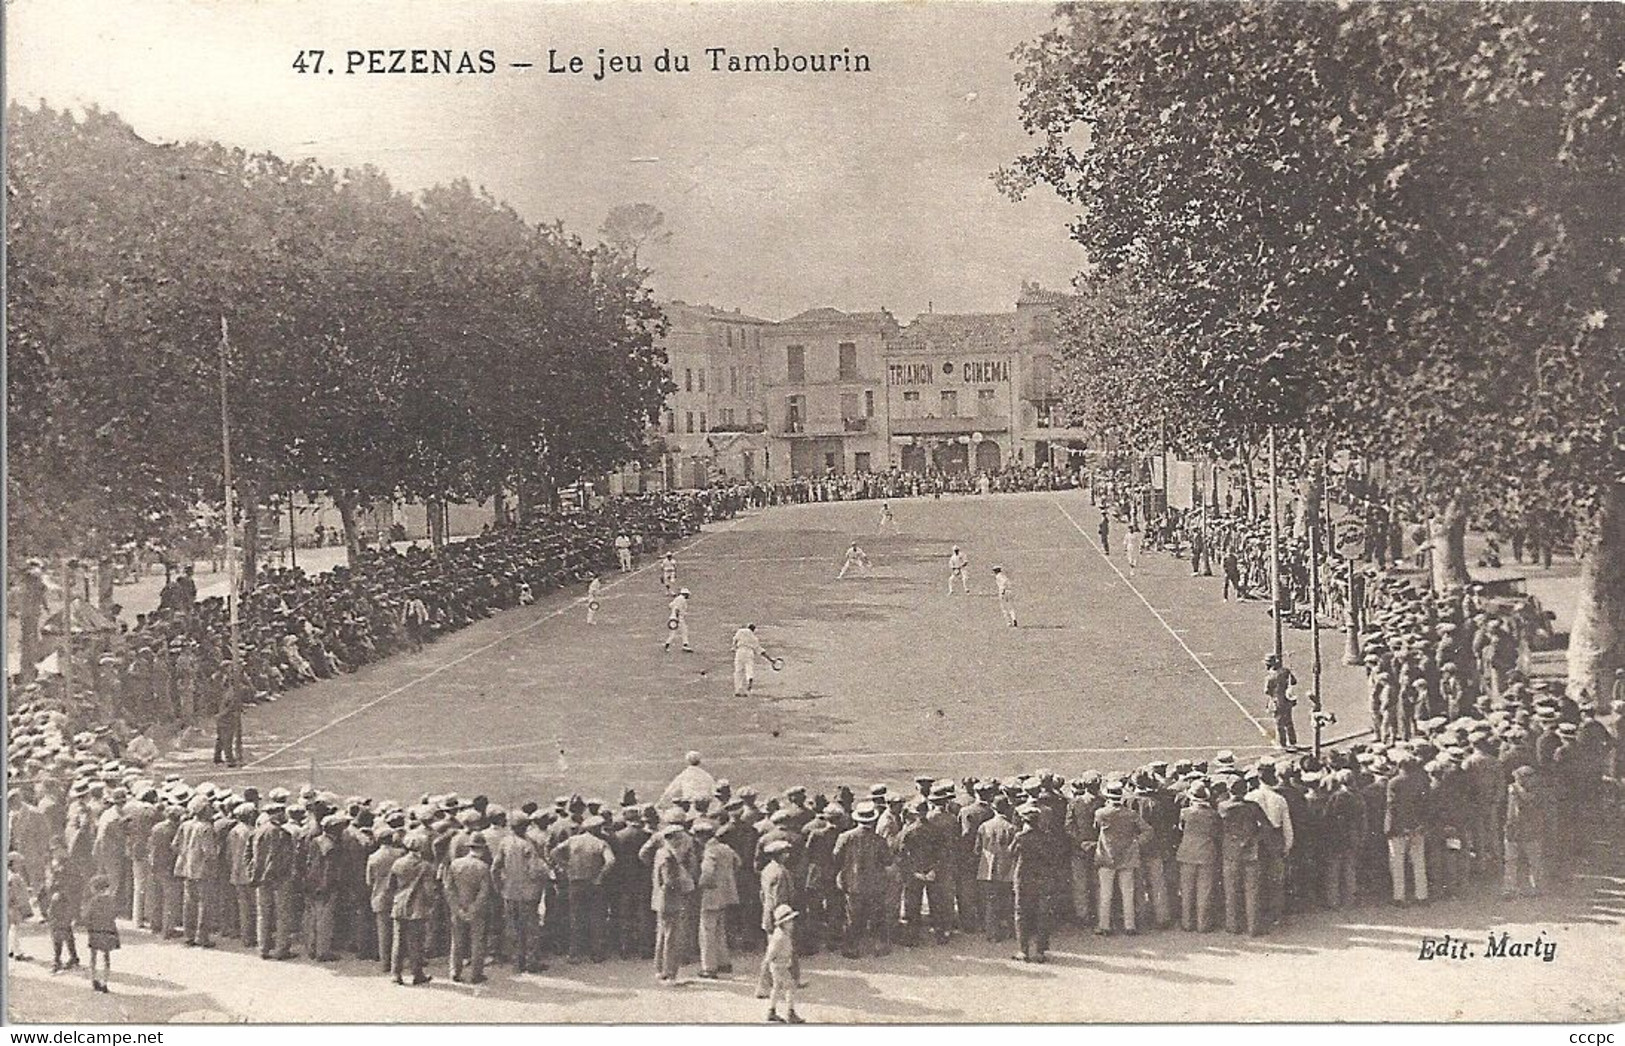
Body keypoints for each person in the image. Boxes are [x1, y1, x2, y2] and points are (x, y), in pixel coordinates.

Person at [695, 819, 739, 977]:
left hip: (711, 894)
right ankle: (724, 962)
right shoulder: (725, 848)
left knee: (707, 931)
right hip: (726, 893)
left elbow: (707, 873)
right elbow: (737, 863)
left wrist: (699, 886)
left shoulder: (710, 851)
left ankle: (709, 967)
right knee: (720, 930)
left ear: (702, 837)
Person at [446, 833, 493, 982]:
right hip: (476, 910)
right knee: (477, 941)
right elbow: (484, 892)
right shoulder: (483, 867)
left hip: (458, 907)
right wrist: (474, 908)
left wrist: (456, 907)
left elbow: (448, 888)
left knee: (457, 940)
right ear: (482, 849)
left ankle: (455, 971)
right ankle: (476, 974)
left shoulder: (455, 864)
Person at [764, 904, 805, 1024]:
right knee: (790, 987)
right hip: (779, 966)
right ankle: (790, 1012)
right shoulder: (780, 937)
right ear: (783, 923)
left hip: (781, 965)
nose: (792, 924)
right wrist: (768, 963)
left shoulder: (782, 934)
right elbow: (771, 952)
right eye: (789, 921)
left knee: (776, 988)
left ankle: (771, 1010)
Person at [82, 874, 119, 993]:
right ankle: (105, 982)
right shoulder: (111, 900)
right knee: (106, 956)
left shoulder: (93, 901)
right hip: (108, 930)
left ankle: (94, 979)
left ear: (95, 888)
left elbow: (86, 916)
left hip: (95, 930)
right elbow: (115, 913)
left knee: (93, 956)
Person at [1264, 655, 1299, 749]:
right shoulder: (1285, 671)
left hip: (1277, 702)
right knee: (1289, 722)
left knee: (1279, 724)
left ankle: (1283, 743)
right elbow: (1294, 681)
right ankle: (1293, 742)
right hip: (1287, 700)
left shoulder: (1270, 677)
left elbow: (1267, 691)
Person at [732, 624, 769, 697]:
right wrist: (771, 660)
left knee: (738, 671)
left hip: (740, 651)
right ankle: (749, 678)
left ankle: (737, 690)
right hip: (749, 652)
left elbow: (735, 639)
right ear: (753, 630)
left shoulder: (740, 631)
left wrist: (733, 647)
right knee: (749, 668)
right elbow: (760, 650)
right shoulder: (754, 638)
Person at [662, 588, 693, 653]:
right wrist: (677, 617)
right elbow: (677, 609)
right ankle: (668, 645)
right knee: (679, 632)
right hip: (677, 619)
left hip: (674, 618)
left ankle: (684, 644)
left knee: (680, 631)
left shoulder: (677, 599)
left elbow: (670, 605)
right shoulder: (682, 599)